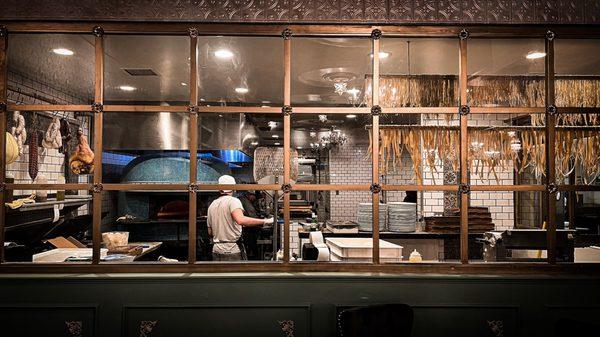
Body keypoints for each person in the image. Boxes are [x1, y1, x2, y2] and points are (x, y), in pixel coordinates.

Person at [207, 175, 273, 261]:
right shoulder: (233, 201)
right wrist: (266, 221)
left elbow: (210, 232)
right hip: (231, 250)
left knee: (220, 274)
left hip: (216, 250)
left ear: (219, 189)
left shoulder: (213, 204)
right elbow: (241, 220)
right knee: (234, 274)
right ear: (234, 188)